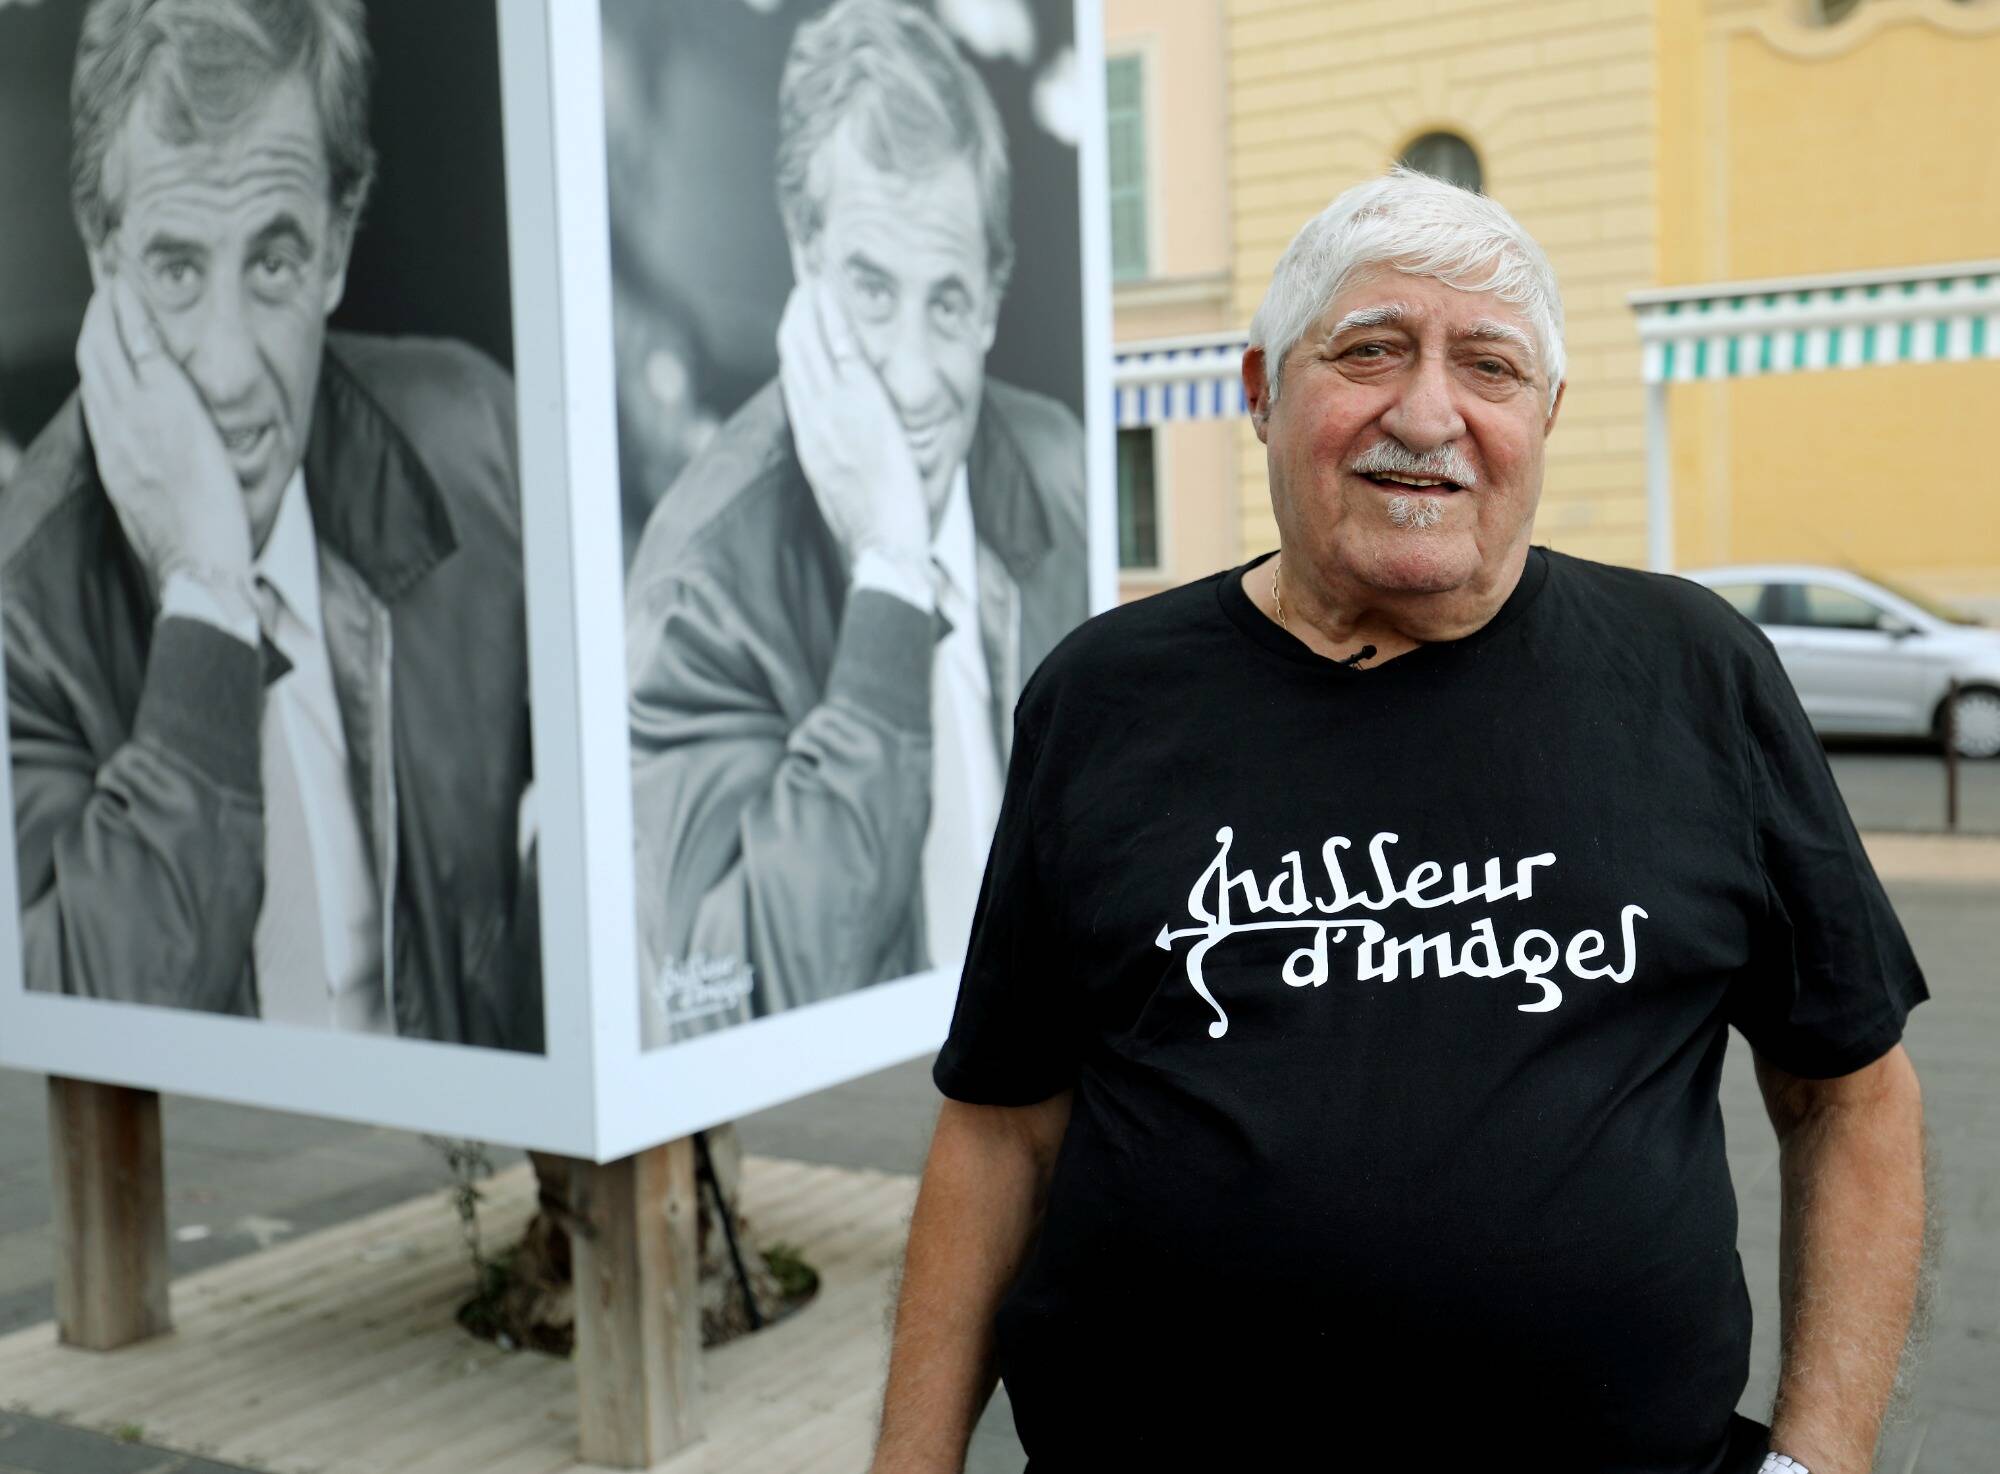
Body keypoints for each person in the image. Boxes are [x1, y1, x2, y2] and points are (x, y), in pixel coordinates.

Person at [874, 170, 1929, 1473]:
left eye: (1488, 367)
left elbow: (1852, 1098)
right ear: (1260, 392)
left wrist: (1820, 1462)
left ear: (1544, 416)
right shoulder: (1105, 695)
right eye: (1368, 350)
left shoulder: (1695, 673)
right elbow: (1000, 1123)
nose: (1426, 413)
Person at [0, 0, 540, 1050]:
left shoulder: (477, 443)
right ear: (103, 255)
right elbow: (80, 1050)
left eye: (274, 263)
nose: (231, 365)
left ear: (338, 244)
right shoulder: (16, 606)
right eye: (175, 270)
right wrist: (206, 595)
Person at [624, 0, 1086, 1046]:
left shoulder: (1062, 473)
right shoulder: (695, 576)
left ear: (997, 295)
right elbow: (742, 996)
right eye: (873, 295)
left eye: (949, 302)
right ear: (804, 254)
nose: (917, 382)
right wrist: (889, 582)